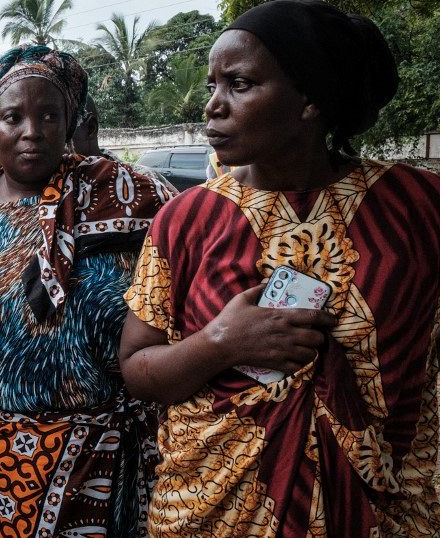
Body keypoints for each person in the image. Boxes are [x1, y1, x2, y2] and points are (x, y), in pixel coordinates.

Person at [118, 1, 440, 535]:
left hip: (382, 513)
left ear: (310, 98)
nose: (212, 107)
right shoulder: (188, 219)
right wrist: (221, 341)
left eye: (239, 84)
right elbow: (137, 369)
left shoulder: (415, 207)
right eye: (211, 86)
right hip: (214, 514)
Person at [0, 45, 174, 537]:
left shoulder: (130, 193)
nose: (32, 131)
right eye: (13, 116)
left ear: (70, 121)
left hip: (98, 457)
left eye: (49, 114)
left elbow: (185, 276)